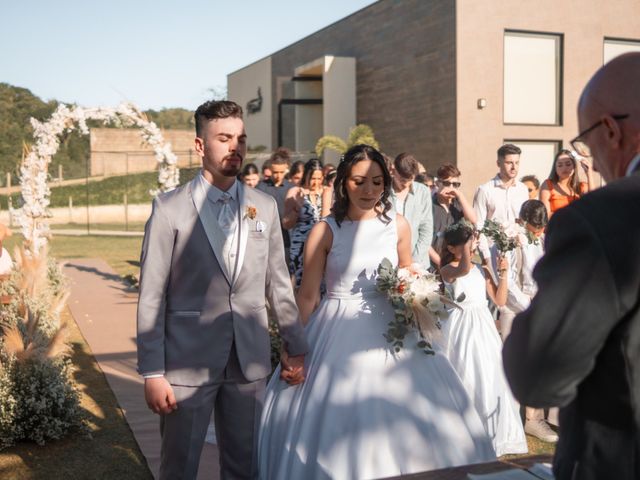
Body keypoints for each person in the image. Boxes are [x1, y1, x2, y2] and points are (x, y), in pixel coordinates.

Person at [258, 144, 495, 479]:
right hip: (337, 329)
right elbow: (308, 296)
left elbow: (408, 267)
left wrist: (412, 284)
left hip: (394, 327)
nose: (368, 190)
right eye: (358, 182)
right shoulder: (325, 230)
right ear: (342, 183)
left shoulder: (397, 225)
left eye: (376, 182)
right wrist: (292, 348)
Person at [136, 100, 308, 480]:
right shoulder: (169, 209)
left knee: (244, 465)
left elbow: (278, 284)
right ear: (200, 146)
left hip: (248, 360)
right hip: (186, 363)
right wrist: (152, 371)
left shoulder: (263, 207)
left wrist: (296, 346)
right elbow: (151, 294)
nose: (236, 147)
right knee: (179, 467)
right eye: (224, 138)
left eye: (241, 138)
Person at [503, 52, 640, 480]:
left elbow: (538, 374)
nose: (591, 163)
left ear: (612, 131)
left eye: (586, 143)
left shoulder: (603, 218)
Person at [437, 220, 528, 456]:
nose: (472, 246)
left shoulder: (481, 269)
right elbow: (463, 270)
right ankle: (462, 435)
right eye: (466, 243)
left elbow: (499, 300)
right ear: (452, 248)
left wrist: (504, 273)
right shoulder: (447, 270)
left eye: (471, 242)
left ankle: (492, 434)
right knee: (464, 373)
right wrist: (469, 245)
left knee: (488, 375)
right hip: (460, 327)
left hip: (483, 327)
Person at [499, 200, 557, 443]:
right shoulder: (512, 240)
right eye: (535, 227)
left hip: (539, 303)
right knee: (514, 363)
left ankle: (534, 419)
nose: (539, 231)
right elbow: (509, 279)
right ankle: (510, 421)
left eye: (542, 227)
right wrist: (528, 304)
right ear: (523, 221)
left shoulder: (542, 238)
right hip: (516, 308)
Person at [473, 144, 529, 260]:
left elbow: (524, 223)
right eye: (509, 163)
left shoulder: (523, 189)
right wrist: (486, 257)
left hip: (519, 252)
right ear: (498, 163)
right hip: (493, 252)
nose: (514, 167)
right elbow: (479, 226)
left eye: (517, 163)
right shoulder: (485, 190)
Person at [282, 159, 331, 289]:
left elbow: (327, 219)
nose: (316, 182)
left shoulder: (327, 191)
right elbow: (286, 224)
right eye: (312, 178)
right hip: (300, 244)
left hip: (321, 242)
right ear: (306, 175)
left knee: (323, 285)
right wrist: (297, 208)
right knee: (301, 285)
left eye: (319, 178)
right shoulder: (295, 192)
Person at [429, 163, 476, 269]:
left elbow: (473, 220)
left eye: (455, 185)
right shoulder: (428, 205)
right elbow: (424, 240)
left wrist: (460, 195)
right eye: (447, 183)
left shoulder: (459, 204)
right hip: (433, 264)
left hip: (456, 264)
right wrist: (440, 262)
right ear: (437, 183)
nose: (451, 188)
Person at [389, 152, 433, 265]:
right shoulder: (383, 191)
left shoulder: (422, 191)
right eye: (403, 180)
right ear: (394, 171)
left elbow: (426, 229)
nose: (406, 184)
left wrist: (414, 261)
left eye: (411, 180)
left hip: (418, 262)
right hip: (389, 261)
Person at [257, 149, 294, 259]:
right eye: (275, 172)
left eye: (281, 172)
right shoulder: (260, 188)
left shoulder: (291, 188)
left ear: (286, 169)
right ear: (270, 169)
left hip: (286, 239)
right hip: (266, 238)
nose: (278, 176)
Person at [539, 149, 594, 217]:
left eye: (568, 164)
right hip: (556, 226)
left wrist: (589, 173)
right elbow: (545, 215)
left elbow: (594, 205)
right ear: (555, 168)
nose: (564, 168)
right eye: (560, 165)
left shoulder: (582, 186)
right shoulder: (547, 185)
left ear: (574, 166)